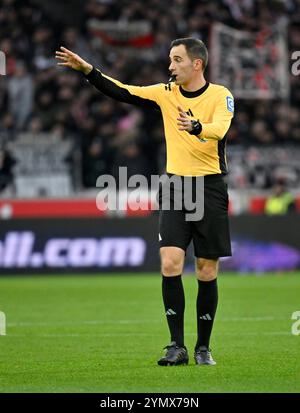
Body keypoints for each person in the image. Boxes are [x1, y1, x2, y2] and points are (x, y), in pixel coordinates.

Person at [55, 37, 234, 366]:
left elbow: (220, 128)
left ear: (197, 64)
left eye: (177, 60)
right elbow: (124, 91)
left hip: (209, 187)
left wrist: (197, 127)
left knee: (207, 271)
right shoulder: (166, 94)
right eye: (170, 59)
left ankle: (203, 347)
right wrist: (88, 71)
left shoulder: (221, 95)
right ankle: (176, 346)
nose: (170, 66)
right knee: (169, 263)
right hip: (176, 185)